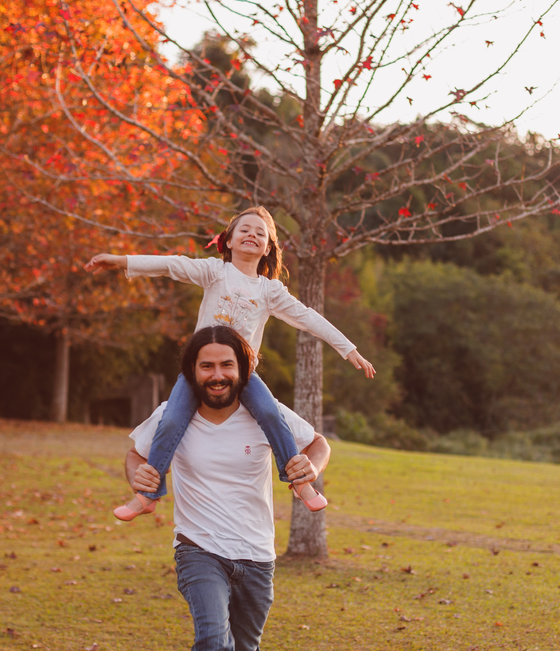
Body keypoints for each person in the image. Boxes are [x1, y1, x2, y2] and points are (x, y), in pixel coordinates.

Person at [125, 326, 331, 651]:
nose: (216, 375)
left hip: (256, 555)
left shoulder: (266, 415)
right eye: (206, 366)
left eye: (225, 365)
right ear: (192, 372)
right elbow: (135, 455)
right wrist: (138, 476)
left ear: (242, 370)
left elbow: (318, 443)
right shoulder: (171, 416)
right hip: (198, 548)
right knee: (214, 641)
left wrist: (312, 465)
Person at [86, 205, 372, 519]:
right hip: (199, 373)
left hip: (243, 375)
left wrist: (348, 349)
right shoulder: (214, 272)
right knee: (170, 422)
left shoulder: (269, 290)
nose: (252, 235)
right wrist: (121, 261)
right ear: (229, 241)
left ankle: (300, 483)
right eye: (244, 230)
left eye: (260, 233)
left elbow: (308, 317)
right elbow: (171, 265)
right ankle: (147, 495)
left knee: (270, 414)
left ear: (268, 248)